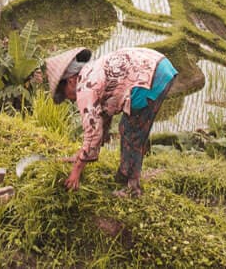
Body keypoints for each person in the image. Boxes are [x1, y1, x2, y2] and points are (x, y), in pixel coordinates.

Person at [45, 45, 178, 196]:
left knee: (132, 132)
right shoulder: (90, 71)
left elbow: (93, 132)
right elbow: (102, 118)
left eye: (64, 94)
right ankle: (123, 176)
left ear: (70, 81)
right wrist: (82, 154)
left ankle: (132, 189)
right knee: (126, 128)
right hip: (157, 64)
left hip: (151, 76)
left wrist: (77, 170)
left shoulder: (85, 88)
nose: (69, 99)